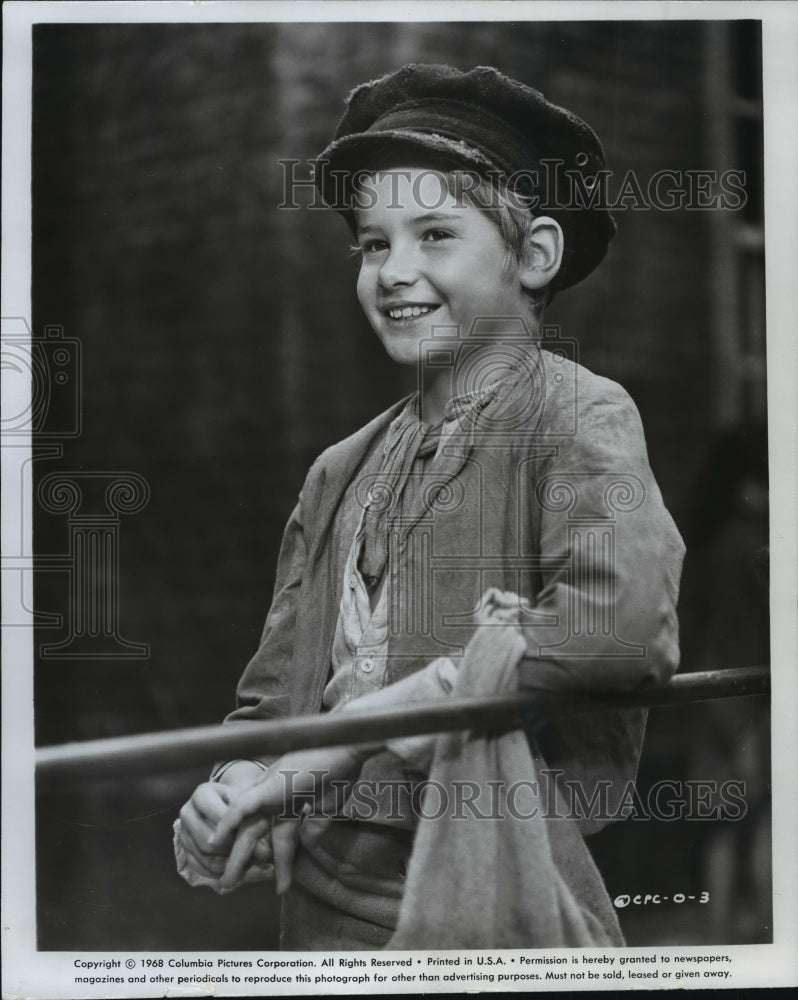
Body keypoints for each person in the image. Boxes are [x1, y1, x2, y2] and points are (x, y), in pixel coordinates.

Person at [174, 63, 685, 950]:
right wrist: (239, 779)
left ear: (535, 257)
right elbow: (274, 701)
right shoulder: (339, 469)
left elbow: (621, 627)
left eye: (435, 233)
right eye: (373, 243)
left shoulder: (577, 416)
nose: (394, 271)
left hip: (487, 894)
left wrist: (384, 718)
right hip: (319, 909)